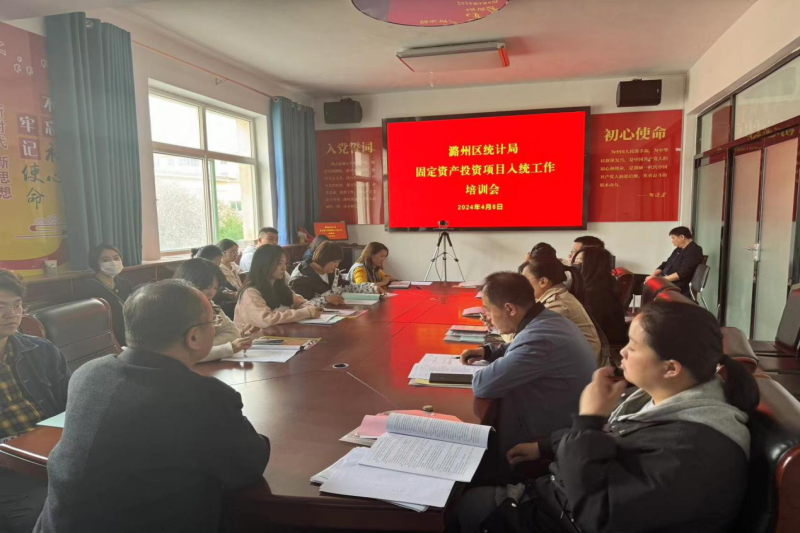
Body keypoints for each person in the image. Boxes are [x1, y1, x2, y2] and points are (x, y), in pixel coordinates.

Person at [459, 301, 759, 533]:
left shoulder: (692, 454)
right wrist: (546, 445)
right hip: (558, 493)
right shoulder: (665, 396)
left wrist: (589, 418)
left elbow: (596, 516)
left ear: (670, 368)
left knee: (465, 504)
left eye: (634, 347)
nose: (622, 352)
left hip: (569, 516)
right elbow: (617, 435)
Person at [34, 280, 270, 533]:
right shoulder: (203, 397)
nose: (216, 326)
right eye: (213, 321)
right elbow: (248, 467)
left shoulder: (88, 372)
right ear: (193, 337)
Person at [459, 272, 595, 484]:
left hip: (550, 436)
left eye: (489, 309)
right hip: (569, 418)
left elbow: (483, 385)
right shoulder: (549, 319)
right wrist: (489, 352)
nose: (487, 316)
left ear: (510, 309)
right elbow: (520, 344)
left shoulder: (540, 339)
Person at [0, 269, 69, 533]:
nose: (11, 314)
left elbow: (72, 405)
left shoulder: (41, 350)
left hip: (52, 450)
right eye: (1, 307)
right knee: (46, 514)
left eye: (17, 305)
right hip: (6, 467)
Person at [519, 254, 602, 362]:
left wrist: (503, 321)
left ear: (543, 282)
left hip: (584, 368)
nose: (521, 285)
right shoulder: (555, 296)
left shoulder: (558, 306)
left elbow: (526, 340)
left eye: (524, 280)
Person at [173, 258, 257, 362]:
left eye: (215, 288)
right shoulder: (173, 309)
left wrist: (200, 348)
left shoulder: (210, 304)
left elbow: (232, 334)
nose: (211, 293)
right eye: (207, 287)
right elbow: (181, 356)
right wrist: (227, 348)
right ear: (188, 283)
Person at [234, 244, 321, 331]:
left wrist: (308, 310)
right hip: (257, 338)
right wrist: (304, 313)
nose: (284, 268)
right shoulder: (250, 292)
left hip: (282, 334)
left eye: (285, 263)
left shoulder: (280, 287)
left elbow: (304, 303)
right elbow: (266, 320)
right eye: (279, 263)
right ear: (264, 264)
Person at [75, 243, 133, 346]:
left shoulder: (125, 284)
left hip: (130, 333)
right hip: (105, 338)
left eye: (116, 258)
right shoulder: (87, 287)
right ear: (96, 263)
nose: (113, 262)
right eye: (105, 260)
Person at [289, 242, 382, 306]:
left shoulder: (332, 273)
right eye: (334, 262)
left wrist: (372, 288)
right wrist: (326, 299)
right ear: (324, 259)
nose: (337, 265)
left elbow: (347, 287)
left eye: (338, 262)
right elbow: (300, 305)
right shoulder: (301, 277)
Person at [572, 246, 628, 346]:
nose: (574, 264)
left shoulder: (597, 291)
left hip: (605, 343)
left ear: (591, 265)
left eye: (578, 261)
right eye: (575, 260)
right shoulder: (601, 282)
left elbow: (589, 327)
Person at [649, 226, 704, 297]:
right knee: (637, 279)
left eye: (673, 238)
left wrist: (660, 280)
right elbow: (666, 263)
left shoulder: (694, 250)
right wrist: (653, 275)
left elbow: (682, 273)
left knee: (648, 286)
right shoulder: (678, 249)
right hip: (666, 279)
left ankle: (651, 304)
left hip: (677, 284)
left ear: (682, 237)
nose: (672, 241)